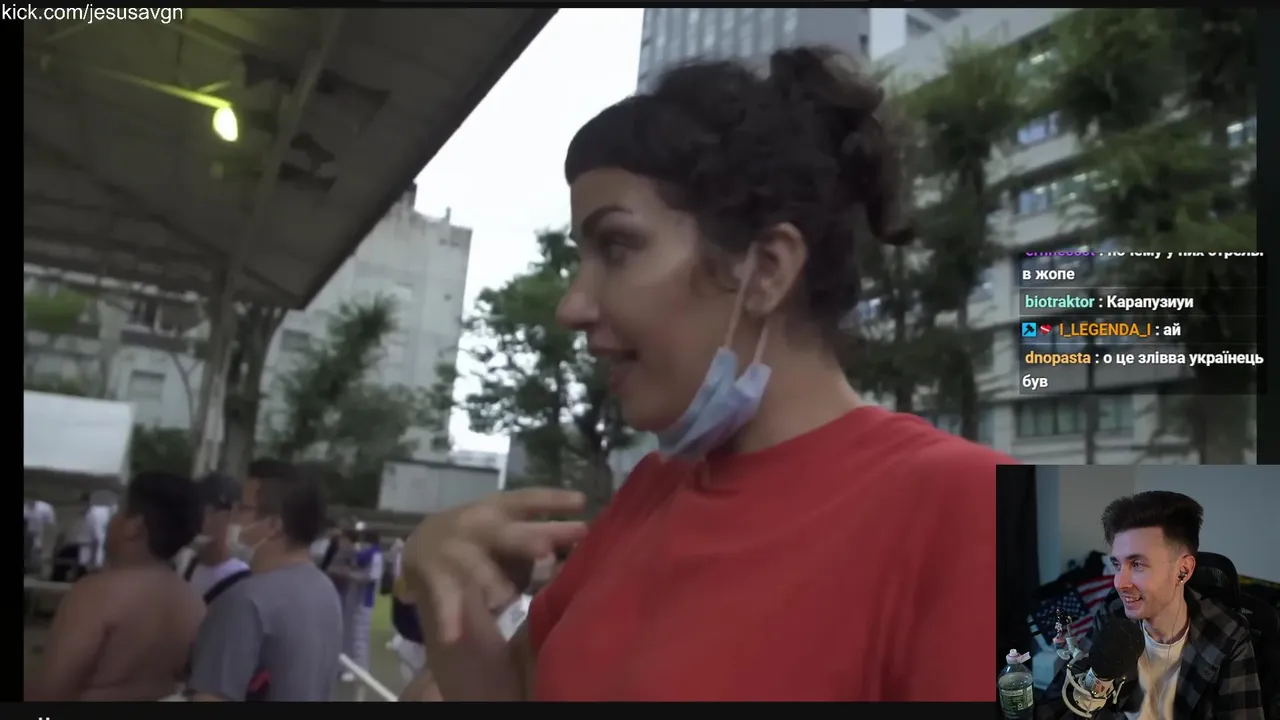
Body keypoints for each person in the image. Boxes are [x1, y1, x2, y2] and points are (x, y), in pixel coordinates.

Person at [398, 46, 1012, 702]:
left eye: (616, 247)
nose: (571, 306)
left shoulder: (979, 507)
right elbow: (521, 691)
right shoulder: (651, 492)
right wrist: (442, 583)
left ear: (767, 269)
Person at [1038, 491, 1264, 720]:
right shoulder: (1114, 611)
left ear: (1183, 570)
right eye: (1117, 565)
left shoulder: (1227, 636)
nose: (1119, 583)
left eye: (1137, 564)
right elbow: (1056, 704)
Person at [25, 472, 205, 701]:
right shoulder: (193, 603)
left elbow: (49, 691)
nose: (111, 521)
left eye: (119, 512)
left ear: (134, 526)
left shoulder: (96, 594)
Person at [187, 459, 342, 702]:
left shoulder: (244, 601)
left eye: (243, 509)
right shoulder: (325, 590)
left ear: (273, 525)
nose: (232, 517)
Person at [176, 472, 251, 604]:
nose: (202, 517)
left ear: (233, 512)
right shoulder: (184, 563)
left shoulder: (242, 578)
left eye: (212, 509)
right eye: (196, 508)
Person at [334, 524, 383, 683]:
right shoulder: (363, 554)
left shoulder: (375, 554)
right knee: (349, 635)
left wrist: (350, 574)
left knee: (359, 638)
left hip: (364, 601)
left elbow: (371, 576)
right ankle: (347, 667)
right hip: (354, 599)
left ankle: (361, 671)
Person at [24, 497, 57, 574]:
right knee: (32, 550)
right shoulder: (25, 510)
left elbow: (51, 525)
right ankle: (32, 568)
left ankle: (40, 569)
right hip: (31, 533)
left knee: (41, 551)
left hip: (44, 530)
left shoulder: (45, 508)